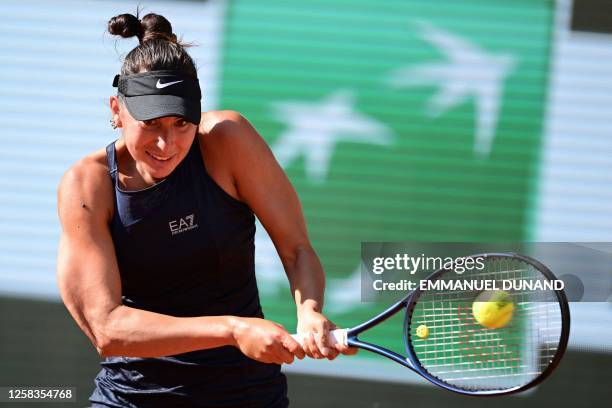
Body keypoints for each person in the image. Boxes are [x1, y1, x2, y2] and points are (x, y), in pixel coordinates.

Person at [56, 12, 355, 408]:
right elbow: (107, 329)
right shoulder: (87, 185)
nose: (167, 144)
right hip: (131, 399)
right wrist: (232, 330)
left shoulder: (228, 141)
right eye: (151, 123)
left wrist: (310, 310)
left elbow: (297, 249)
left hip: (247, 396)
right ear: (116, 109)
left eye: (182, 123)